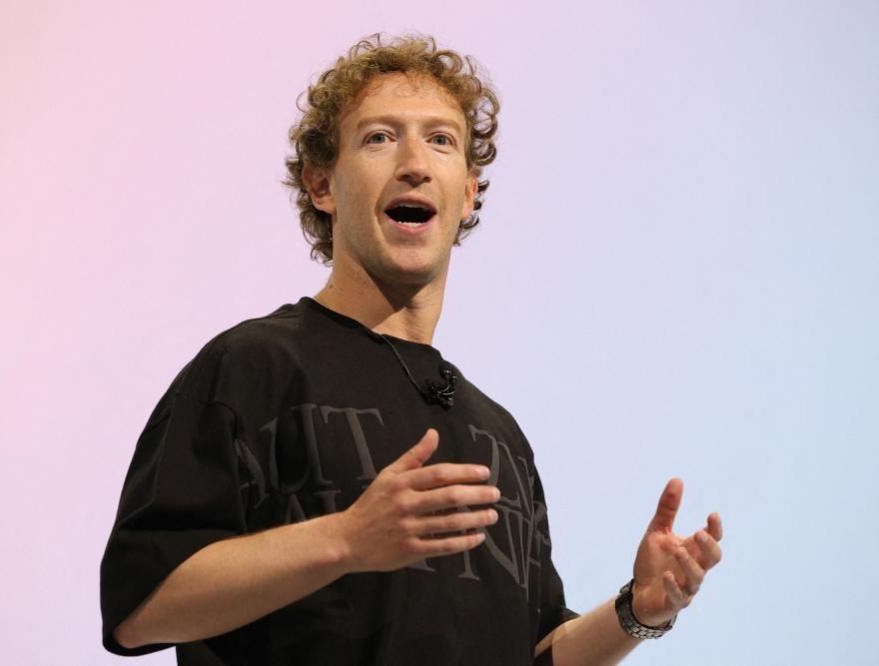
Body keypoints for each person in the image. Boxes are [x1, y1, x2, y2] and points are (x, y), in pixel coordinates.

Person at [99, 33, 724, 666]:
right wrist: (347, 539)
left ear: (469, 194)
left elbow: (531, 654)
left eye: (441, 139)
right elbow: (138, 609)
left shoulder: (497, 433)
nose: (414, 163)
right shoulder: (253, 367)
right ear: (321, 185)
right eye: (379, 137)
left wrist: (638, 612)